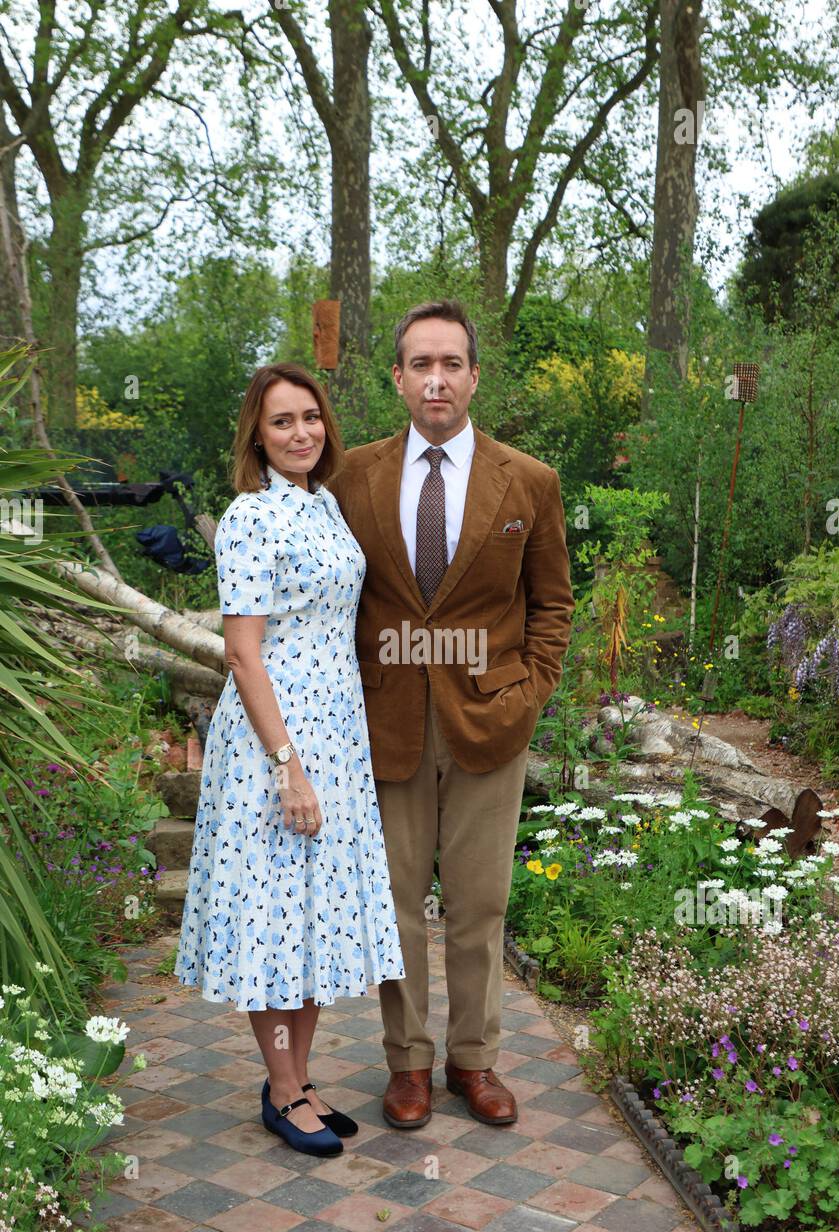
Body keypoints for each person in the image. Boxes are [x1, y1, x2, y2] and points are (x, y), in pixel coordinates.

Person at [326, 299, 574, 1129]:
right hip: (382, 719)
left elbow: (553, 604)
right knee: (395, 904)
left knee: (479, 904)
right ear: (397, 377)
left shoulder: (528, 481)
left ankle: (474, 1061)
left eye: (452, 364)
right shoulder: (349, 476)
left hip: (488, 722)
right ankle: (407, 1065)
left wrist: (528, 692)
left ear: (474, 376)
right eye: (421, 364)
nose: (438, 378)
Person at [174, 363, 406, 1156]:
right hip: (275, 746)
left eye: (310, 417)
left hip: (336, 737)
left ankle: (300, 1082)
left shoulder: (327, 504)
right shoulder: (249, 517)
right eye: (282, 422)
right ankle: (279, 1090)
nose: (301, 432)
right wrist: (287, 766)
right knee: (272, 920)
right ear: (257, 435)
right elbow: (242, 654)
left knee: (310, 918)